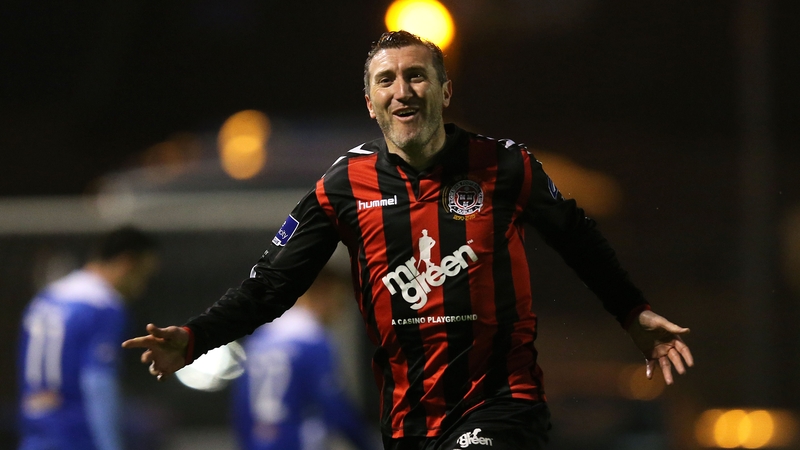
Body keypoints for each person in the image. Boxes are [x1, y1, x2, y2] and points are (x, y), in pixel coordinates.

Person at [123, 30, 694, 449]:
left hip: (503, 405)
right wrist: (196, 336)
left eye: (417, 76)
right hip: (408, 423)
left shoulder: (504, 165)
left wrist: (631, 312)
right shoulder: (342, 187)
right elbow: (270, 285)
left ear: (445, 93)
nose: (404, 90)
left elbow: (577, 236)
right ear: (371, 102)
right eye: (387, 80)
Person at [18, 226, 159, 450]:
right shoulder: (104, 306)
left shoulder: (46, 298)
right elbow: (98, 384)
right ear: (126, 263)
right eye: (143, 276)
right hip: (76, 436)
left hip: (36, 434)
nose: (141, 288)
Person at [230, 268, 381, 450]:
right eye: (339, 302)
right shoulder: (312, 341)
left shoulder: (260, 338)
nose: (340, 312)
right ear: (322, 294)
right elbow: (333, 405)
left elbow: (241, 409)